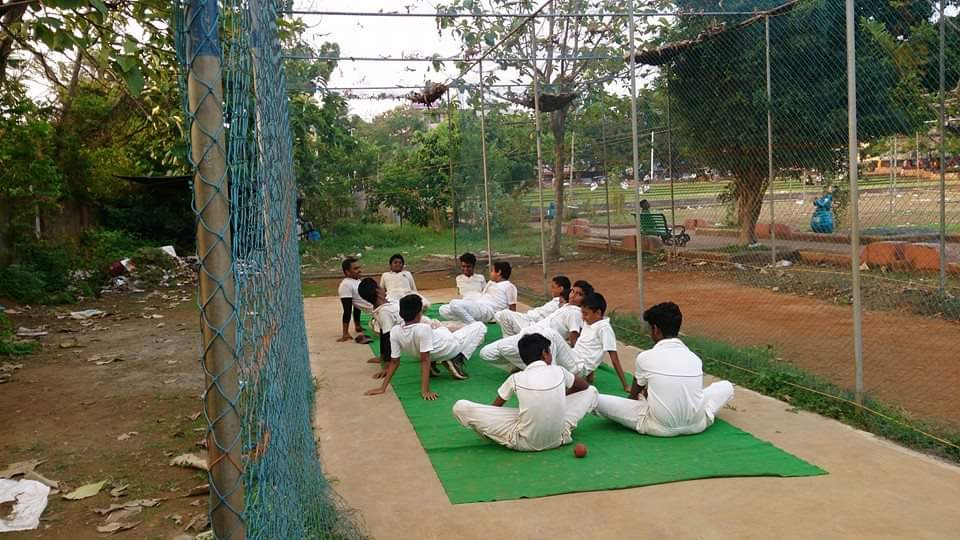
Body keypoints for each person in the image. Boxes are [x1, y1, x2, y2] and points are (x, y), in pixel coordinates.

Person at [594, 302, 734, 437]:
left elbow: (634, 395)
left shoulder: (645, 357)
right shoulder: (695, 358)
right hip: (697, 425)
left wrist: (639, 399)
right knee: (726, 386)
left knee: (594, 397)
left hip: (659, 427)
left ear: (656, 330)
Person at [452, 333, 598, 451]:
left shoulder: (516, 378)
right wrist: (559, 399)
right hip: (558, 438)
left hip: (525, 443)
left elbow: (495, 407)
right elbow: (584, 386)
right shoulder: (559, 371)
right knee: (591, 391)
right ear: (545, 353)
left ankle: (496, 432)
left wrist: (488, 423)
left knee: (461, 407)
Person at [480, 293, 628, 391]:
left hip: (578, 366)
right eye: (582, 313)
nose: (583, 317)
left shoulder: (604, 328)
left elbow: (613, 358)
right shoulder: (590, 322)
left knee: (550, 334)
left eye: (586, 314)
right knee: (546, 335)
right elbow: (589, 347)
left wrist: (625, 385)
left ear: (598, 313)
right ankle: (543, 372)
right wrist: (591, 376)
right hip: (573, 358)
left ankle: (551, 380)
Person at [366, 294, 486, 400]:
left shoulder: (395, 331)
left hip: (432, 346)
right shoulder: (423, 329)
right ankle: (458, 357)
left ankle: (436, 361)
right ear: (419, 314)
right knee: (480, 326)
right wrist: (425, 391)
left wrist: (382, 387)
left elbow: (394, 362)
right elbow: (425, 360)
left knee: (440, 329)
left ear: (401, 314)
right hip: (449, 347)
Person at [440, 260, 517, 324]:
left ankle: (475, 325)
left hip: (489, 310)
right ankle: (469, 321)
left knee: (454, 303)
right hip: (478, 306)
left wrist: (508, 320)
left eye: (492, 271)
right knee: (443, 309)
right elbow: (482, 295)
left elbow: (512, 307)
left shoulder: (508, 286)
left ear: (499, 272)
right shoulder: (491, 282)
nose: (490, 273)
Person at [494, 275, 570, 337]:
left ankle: (511, 340)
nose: (551, 289)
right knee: (498, 315)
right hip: (528, 318)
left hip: (533, 324)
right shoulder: (555, 300)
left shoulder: (561, 304)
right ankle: (512, 339)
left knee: (504, 314)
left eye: (553, 287)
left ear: (561, 288)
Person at [338, 257, 372, 344]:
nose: (360, 270)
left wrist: (357, 325)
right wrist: (345, 333)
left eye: (359, 267)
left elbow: (357, 305)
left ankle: (358, 326)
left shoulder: (357, 280)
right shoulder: (346, 285)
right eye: (356, 268)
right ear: (347, 272)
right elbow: (347, 310)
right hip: (380, 311)